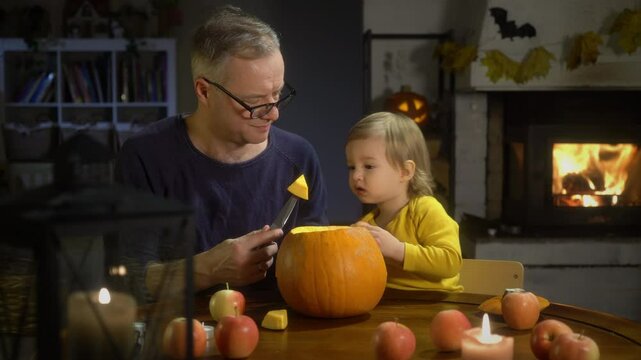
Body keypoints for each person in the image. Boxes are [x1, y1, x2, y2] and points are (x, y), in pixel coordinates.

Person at [115, 5, 328, 299]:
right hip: (179, 334)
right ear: (204, 91)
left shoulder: (300, 158)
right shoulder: (145, 156)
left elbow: (322, 272)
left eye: (277, 94)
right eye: (255, 102)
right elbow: (127, 279)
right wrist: (208, 268)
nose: (274, 114)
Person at [345, 111, 462, 291]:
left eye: (368, 166)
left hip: (435, 306)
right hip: (386, 308)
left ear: (405, 171)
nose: (356, 176)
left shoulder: (425, 210)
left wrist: (398, 250)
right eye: (352, 167)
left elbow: (450, 261)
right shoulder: (366, 225)